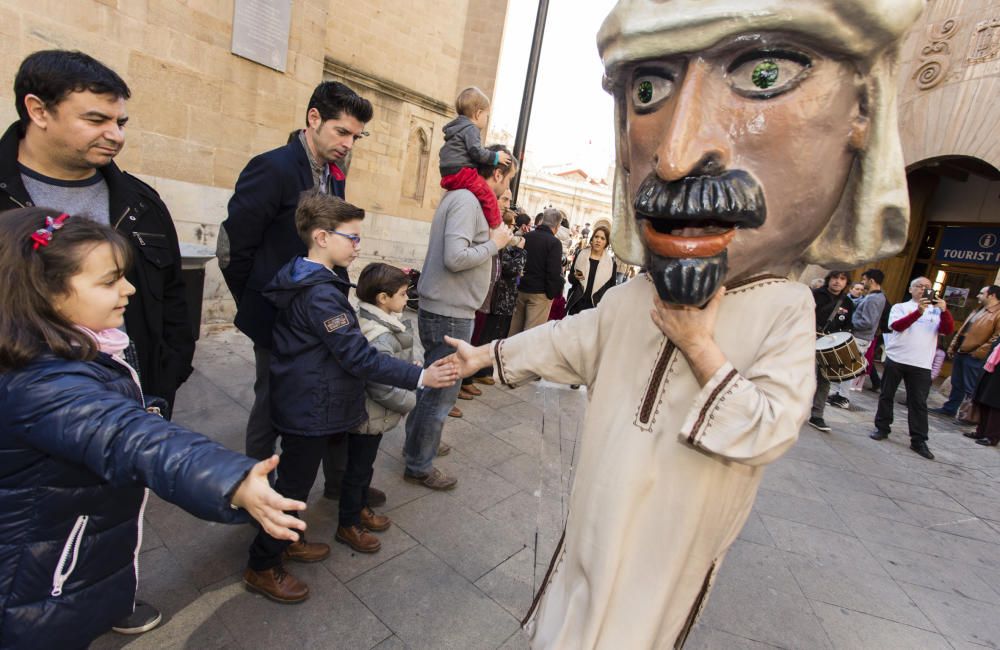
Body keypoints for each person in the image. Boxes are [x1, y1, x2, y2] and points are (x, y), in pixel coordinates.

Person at [444, 0, 923, 645]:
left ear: (863, 118)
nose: (673, 157)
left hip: (671, 541)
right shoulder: (633, 294)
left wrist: (700, 346)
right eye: (649, 91)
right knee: (573, 612)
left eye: (762, 76)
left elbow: (769, 430)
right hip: (595, 514)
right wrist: (484, 360)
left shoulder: (785, 309)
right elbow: (568, 341)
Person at [0, 209, 307, 646]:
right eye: (109, 281)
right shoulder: (39, 381)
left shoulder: (82, 345)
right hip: (34, 582)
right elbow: (124, 433)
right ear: (43, 290)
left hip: (67, 545)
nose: (129, 289)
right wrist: (230, 480)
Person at [243, 192, 457, 602]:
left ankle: (288, 541)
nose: (358, 245)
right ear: (322, 237)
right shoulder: (320, 293)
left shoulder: (307, 275)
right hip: (310, 403)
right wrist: (420, 375)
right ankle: (262, 564)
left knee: (297, 481)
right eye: (353, 238)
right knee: (293, 487)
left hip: (306, 394)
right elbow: (358, 355)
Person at [0, 50, 194, 420]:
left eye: (120, 122)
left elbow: (172, 297)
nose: (115, 135)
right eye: (96, 119)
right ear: (38, 111)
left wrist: (167, 375)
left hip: (131, 403)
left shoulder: (141, 203)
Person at [217, 81, 380, 505]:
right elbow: (233, 247)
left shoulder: (333, 177)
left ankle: (330, 484)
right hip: (277, 317)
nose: (348, 143)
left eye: (355, 137)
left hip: (320, 315)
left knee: (319, 398)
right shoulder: (272, 168)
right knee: (271, 404)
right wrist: (260, 302)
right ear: (313, 119)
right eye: (342, 132)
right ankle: (257, 493)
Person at [403, 144, 515, 490]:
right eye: (508, 182)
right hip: (449, 312)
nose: (507, 191)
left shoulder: (467, 198)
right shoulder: (468, 201)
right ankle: (419, 463)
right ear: (496, 173)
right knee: (441, 393)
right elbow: (455, 257)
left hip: (450, 307)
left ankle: (420, 444)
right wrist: (495, 244)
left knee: (432, 386)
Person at [871, 277, 955, 459]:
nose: (923, 290)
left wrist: (945, 311)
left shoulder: (936, 311)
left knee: (918, 402)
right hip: (898, 358)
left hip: (922, 363)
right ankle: (882, 428)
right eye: (920, 286)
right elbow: (897, 326)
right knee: (887, 395)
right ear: (911, 289)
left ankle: (919, 440)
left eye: (928, 287)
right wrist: (918, 312)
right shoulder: (900, 307)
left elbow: (947, 330)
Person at [438, 87, 512, 229]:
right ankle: (496, 226)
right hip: (461, 171)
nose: (486, 119)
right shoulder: (471, 129)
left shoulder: (456, 129)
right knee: (487, 194)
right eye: (486, 116)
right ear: (478, 114)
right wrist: (496, 157)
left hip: (447, 173)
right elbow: (477, 152)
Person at [934, 285, 1000, 418]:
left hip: (975, 355)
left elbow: (996, 337)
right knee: (957, 382)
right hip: (962, 351)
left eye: (981, 293)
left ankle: (968, 416)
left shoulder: (998, 313)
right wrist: (954, 346)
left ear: (992, 295)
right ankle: (950, 408)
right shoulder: (978, 309)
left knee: (971, 387)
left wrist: (978, 352)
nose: (977, 295)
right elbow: (963, 329)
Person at [809, 270, 855, 431]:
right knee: (801, 374)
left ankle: (817, 415)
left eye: (842, 279)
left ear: (846, 282)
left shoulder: (847, 302)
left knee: (825, 379)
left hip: (829, 344)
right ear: (829, 279)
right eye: (835, 278)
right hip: (808, 339)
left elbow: (848, 325)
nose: (838, 281)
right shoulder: (815, 295)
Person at [508, 208, 565, 335]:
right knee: (531, 336)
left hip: (521, 289)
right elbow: (553, 272)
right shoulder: (554, 243)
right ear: (557, 225)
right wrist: (550, 294)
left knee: (514, 333)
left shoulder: (527, 236)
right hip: (540, 294)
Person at [850, 269, 888, 391]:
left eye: (864, 280)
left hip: (860, 337)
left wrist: (851, 323)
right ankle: (842, 395)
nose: (862, 282)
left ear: (871, 281)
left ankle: (843, 397)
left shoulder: (874, 298)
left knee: (850, 369)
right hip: (863, 337)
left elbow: (867, 322)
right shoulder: (877, 296)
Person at [566, 224, 616, 316]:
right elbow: (570, 279)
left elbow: (611, 289)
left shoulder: (611, 263)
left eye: (602, 238)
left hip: (595, 308)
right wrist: (575, 276)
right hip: (577, 304)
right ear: (592, 239)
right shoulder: (581, 254)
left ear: (606, 243)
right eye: (596, 237)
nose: (598, 240)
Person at [969, 339, 1000, 447]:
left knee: (996, 406)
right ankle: (981, 432)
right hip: (991, 370)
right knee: (984, 401)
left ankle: (992, 437)